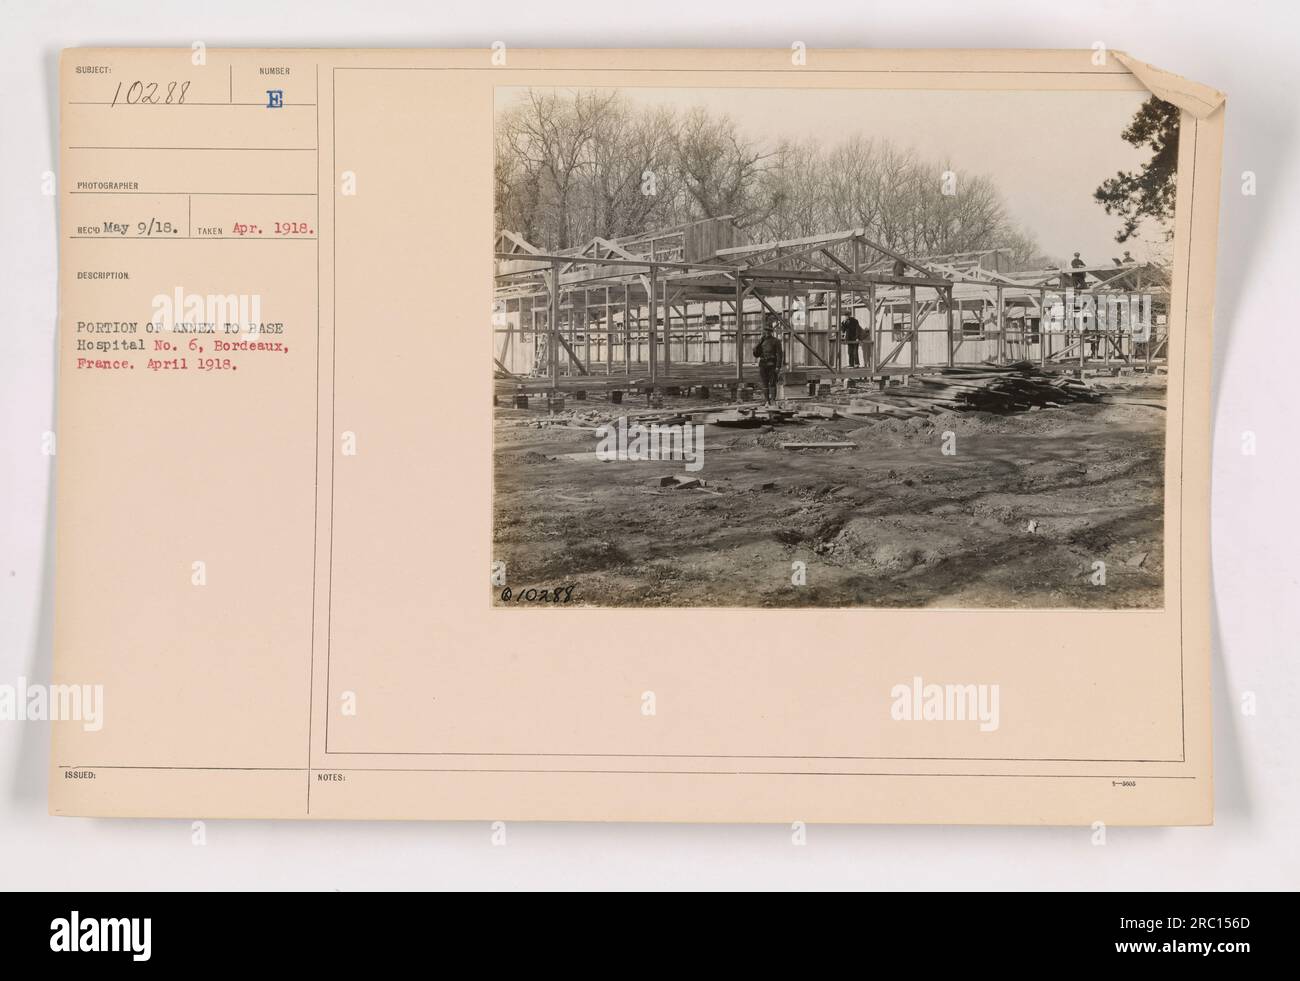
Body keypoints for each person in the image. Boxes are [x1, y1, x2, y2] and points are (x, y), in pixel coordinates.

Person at [753, 320, 785, 406]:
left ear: (771, 331)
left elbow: (779, 355)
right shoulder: (762, 341)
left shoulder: (776, 341)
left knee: (772, 383)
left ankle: (773, 400)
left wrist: (778, 366)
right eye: (765, 330)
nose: (767, 332)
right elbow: (756, 354)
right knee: (764, 383)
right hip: (763, 365)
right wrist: (758, 344)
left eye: (768, 330)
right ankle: (767, 401)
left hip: (772, 365)